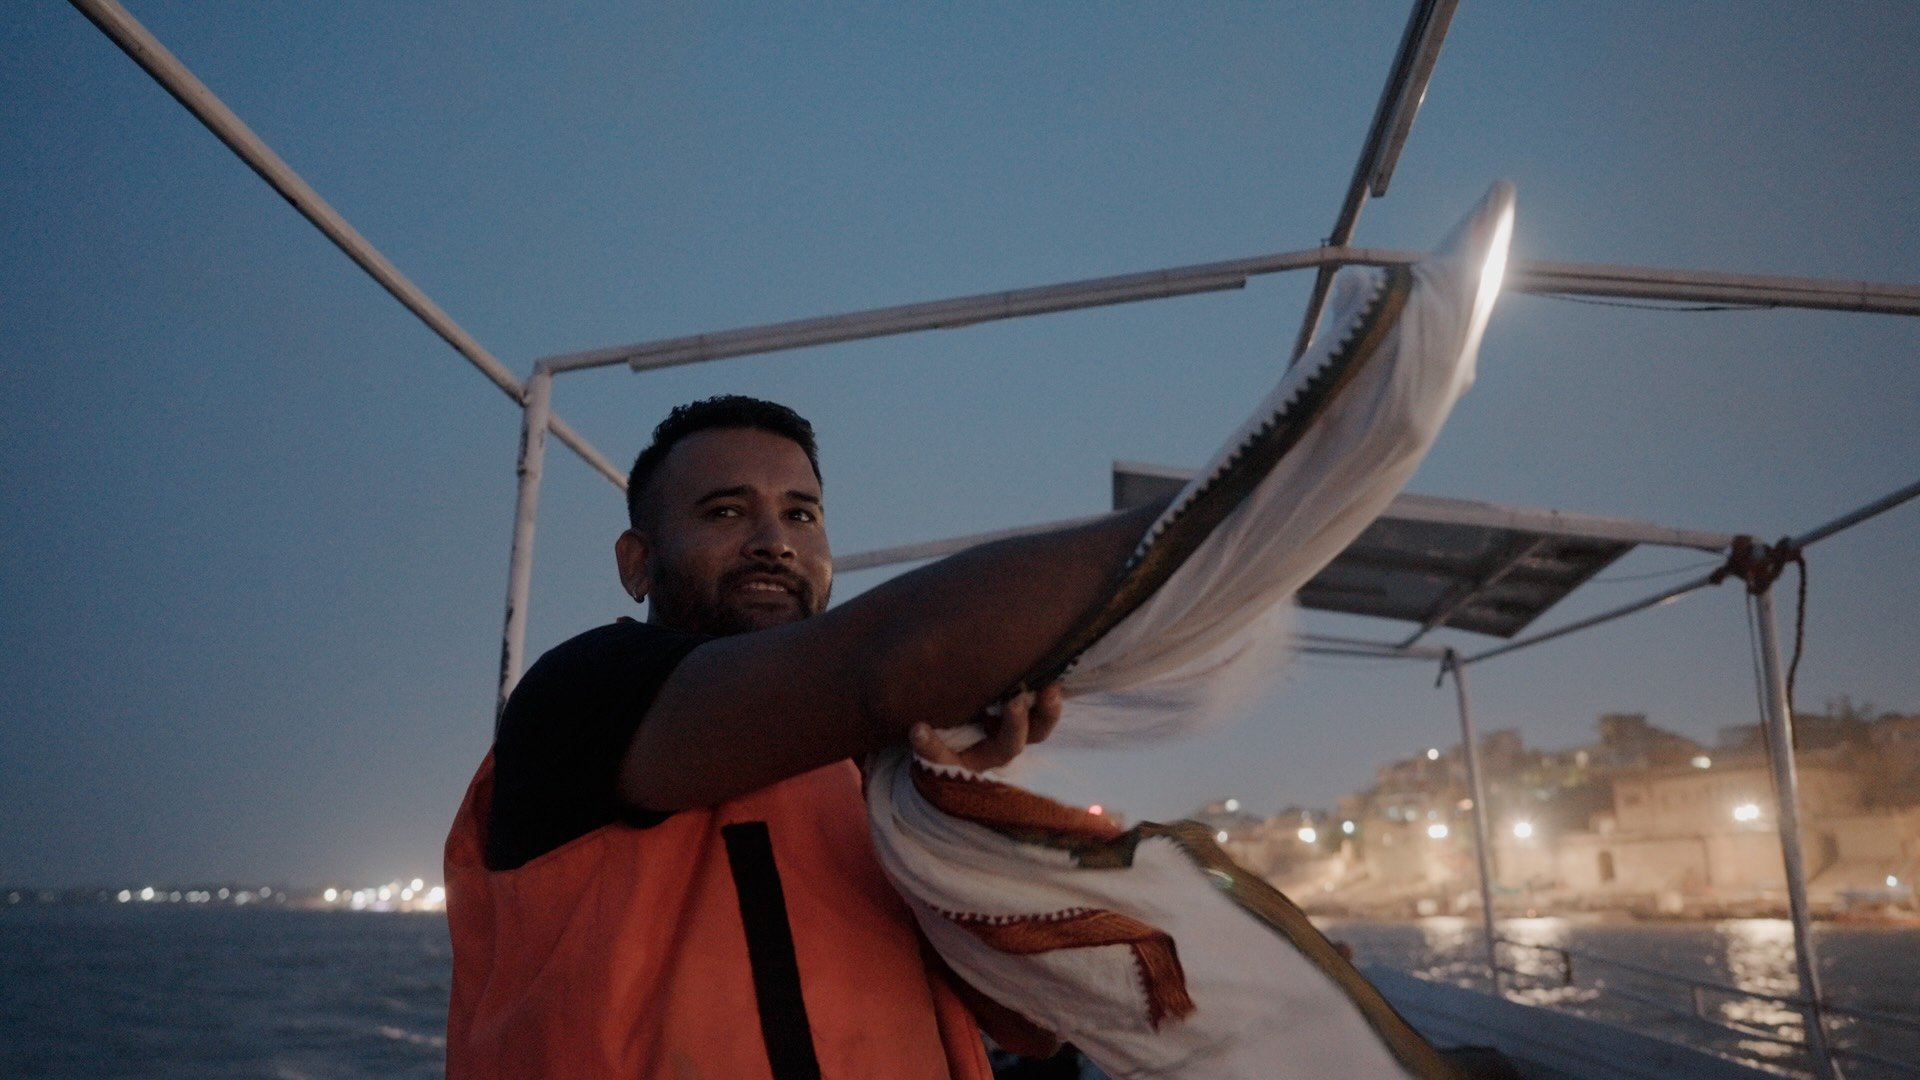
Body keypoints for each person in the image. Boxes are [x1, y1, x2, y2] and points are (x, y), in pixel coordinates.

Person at [444, 395, 1167, 1079]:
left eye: (802, 515)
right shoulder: (580, 695)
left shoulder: (872, 772)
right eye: (725, 511)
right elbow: (889, 661)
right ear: (637, 561)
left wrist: (952, 814)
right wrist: (1209, 526)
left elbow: (1032, 1025)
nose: (775, 544)